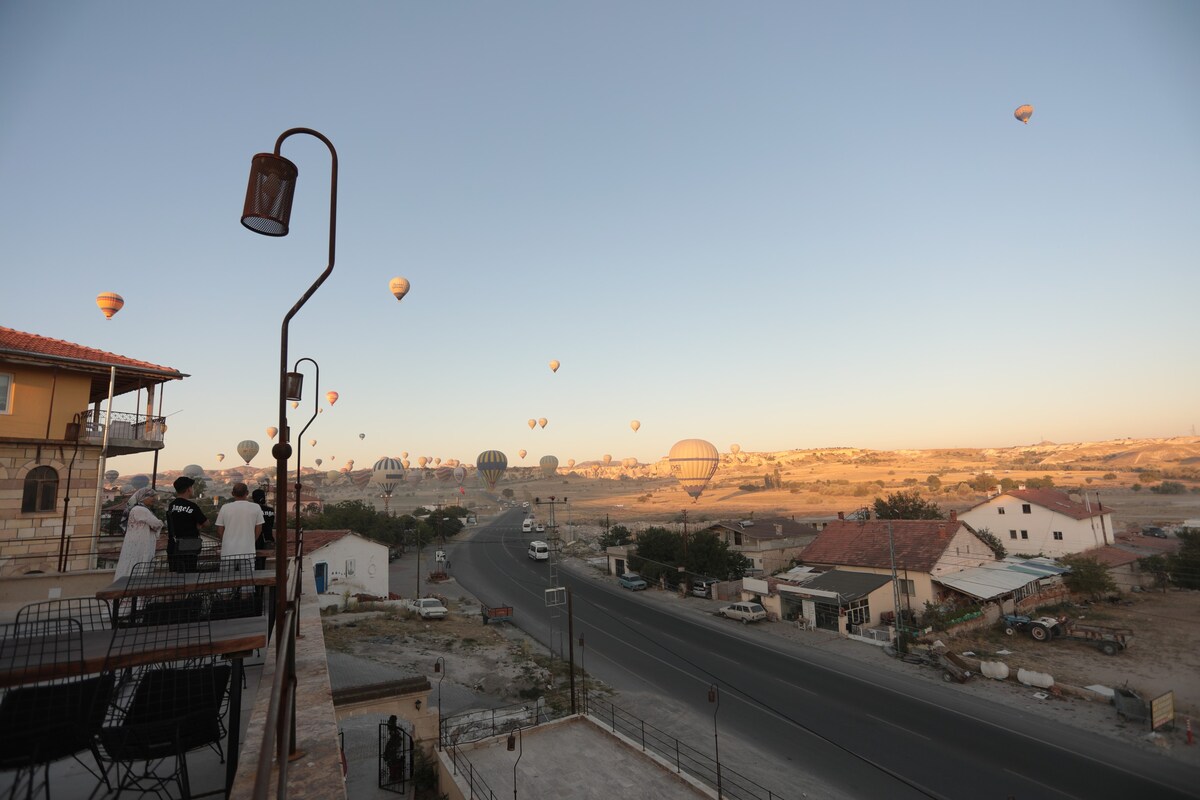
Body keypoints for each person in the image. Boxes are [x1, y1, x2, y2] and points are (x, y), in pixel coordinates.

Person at [113, 488, 164, 580]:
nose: (153, 499)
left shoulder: (136, 509)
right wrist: (160, 523)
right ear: (142, 497)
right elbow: (156, 524)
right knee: (139, 566)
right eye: (151, 496)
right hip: (141, 544)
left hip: (135, 543)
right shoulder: (141, 510)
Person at [166, 475, 208, 572]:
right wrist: (198, 525)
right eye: (191, 487)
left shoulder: (171, 505)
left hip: (173, 545)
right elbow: (206, 523)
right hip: (189, 546)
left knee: (175, 576)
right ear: (188, 489)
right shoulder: (192, 506)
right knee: (189, 575)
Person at [215, 482, 263, 561]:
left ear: (232, 493)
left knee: (227, 573)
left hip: (228, 551)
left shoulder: (225, 508)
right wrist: (252, 540)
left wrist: (226, 541)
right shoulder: (256, 507)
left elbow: (220, 529)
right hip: (248, 550)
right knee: (247, 573)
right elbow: (259, 528)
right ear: (247, 493)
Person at [251, 487, 275, 570]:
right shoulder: (270, 510)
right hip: (268, 540)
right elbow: (270, 525)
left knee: (254, 562)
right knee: (262, 561)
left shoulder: (252, 510)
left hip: (255, 540)